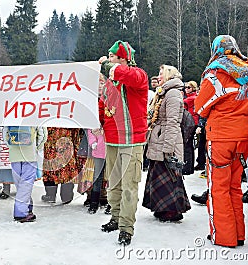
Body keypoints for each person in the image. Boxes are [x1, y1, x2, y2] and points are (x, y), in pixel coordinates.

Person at [194, 35, 248, 248]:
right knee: (234, 187)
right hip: (243, 139)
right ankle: (238, 234)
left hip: (220, 138)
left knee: (218, 188)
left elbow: (200, 107)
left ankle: (223, 236)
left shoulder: (216, 73)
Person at [98, 40, 148, 246]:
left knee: (129, 186)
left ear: (123, 59)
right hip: (112, 140)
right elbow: (103, 105)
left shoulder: (138, 75)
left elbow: (127, 75)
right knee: (114, 184)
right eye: (109, 57)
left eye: (112, 57)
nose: (109, 60)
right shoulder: (111, 84)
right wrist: (98, 122)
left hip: (132, 140)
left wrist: (109, 67)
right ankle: (116, 217)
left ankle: (126, 227)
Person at [143, 65, 191, 222]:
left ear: (169, 75)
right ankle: (161, 207)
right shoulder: (164, 93)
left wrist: (168, 148)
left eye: (161, 74)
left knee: (168, 176)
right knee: (159, 175)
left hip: (166, 141)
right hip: (159, 139)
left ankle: (171, 210)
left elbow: (173, 123)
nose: (158, 76)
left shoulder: (173, 94)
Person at [3, 126, 47, 222]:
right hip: (29, 154)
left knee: (20, 184)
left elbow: (5, 133)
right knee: (26, 184)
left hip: (14, 155)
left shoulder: (11, 113)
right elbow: (43, 134)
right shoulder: (34, 113)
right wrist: (36, 147)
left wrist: (11, 146)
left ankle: (27, 206)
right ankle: (21, 213)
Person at [182, 81, 199, 175]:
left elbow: (181, 103)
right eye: (185, 87)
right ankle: (189, 167)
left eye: (188, 87)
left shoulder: (191, 98)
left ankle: (187, 167)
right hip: (192, 122)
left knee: (187, 145)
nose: (186, 89)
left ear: (193, 88)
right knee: (190, 145)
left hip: (190, 123)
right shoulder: (192, 97)